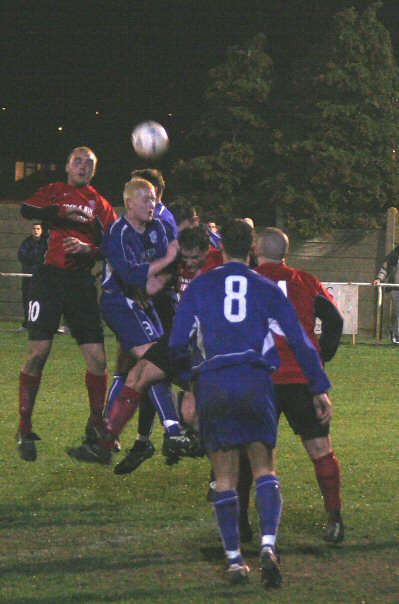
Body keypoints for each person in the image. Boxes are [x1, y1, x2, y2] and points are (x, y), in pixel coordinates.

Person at [169, 219, 332, 587]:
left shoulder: (201, 286)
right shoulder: (265, 287)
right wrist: (319, 387)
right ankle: (269, 546)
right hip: (257, 383)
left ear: (221, 247)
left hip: (214, 382)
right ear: (253, 250)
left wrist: (187, 388)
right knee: (264, 469)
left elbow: (178, 344)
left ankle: (233, 559)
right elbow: (301, 340)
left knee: (226, 476)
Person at [67, 177, 196, 465]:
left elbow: (163, 269)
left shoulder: (159, 228)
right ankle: (174, 429)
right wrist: (165, 263)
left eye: (153, 199)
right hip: (119, 305)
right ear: (129, 203)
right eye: (145, 199)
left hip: (146, 304)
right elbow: (132, 274)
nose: (152, 205)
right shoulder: (118, 233)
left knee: (149, 368)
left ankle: (108, 440)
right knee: (154, 364)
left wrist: (161, 275)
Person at [236, 227, 344, 544]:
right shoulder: (305, 280)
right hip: (301, 378)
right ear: (286, 251)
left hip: (260, 379)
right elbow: (335, 319)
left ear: (256, 248)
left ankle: (241, 524)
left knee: (250, 455)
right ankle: (335, 519)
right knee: (321, 449)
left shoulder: (246, 281)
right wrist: (322, 355)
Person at [16, 146, 118, 462]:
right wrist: (60, 214)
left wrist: (90, 249)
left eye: (89, 163)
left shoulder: (100, 204)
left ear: (94, 170)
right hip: (48, 279)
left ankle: (95, 423)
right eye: (78, 161)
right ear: (67, 166)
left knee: (98, 360)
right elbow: (25, 209)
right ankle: (24, 425)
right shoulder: (53, 192)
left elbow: (112, 245)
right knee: (38, 352)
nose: (83, 166)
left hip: (80, 284)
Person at [112, 225, 222, 475]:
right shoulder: (176, 261)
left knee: (195, 412)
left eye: (197, 257)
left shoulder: (220, 264)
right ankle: (117, 437)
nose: (191, 263)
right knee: (141, 374)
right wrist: (139, 289)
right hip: (179, 337)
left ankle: (218, 473)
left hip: (208, 345)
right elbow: (151, 276)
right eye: (187, 257)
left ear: (208, 249)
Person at [17, 223, 47, 329]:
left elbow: (47, 257)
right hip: (28, 276)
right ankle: (27, 323)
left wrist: (37, 260)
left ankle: (42, 324)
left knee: (43, 300)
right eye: (34, 229)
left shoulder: (46, 243)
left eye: (38, 229)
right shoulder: (26, 242)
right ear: (31, 230)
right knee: (27, 299)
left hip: (43, 277)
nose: (36, 231)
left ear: (41, 230)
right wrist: (37, 259)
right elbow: (22, 256)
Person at [373, 243, 399, 344]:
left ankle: (394, 330)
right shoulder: (394, 255)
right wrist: (379, 279)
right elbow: (384, 268)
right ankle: (395, 334)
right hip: (395, 288)